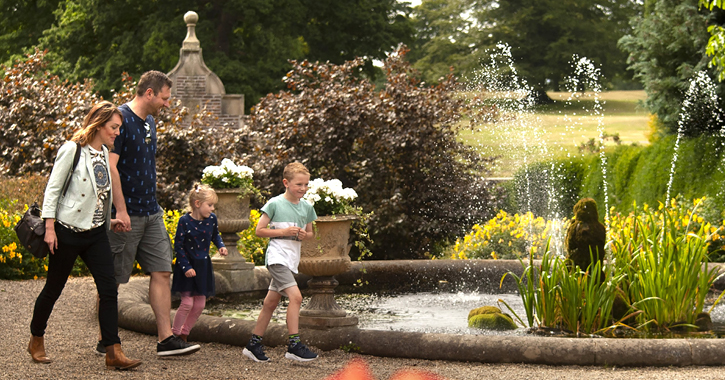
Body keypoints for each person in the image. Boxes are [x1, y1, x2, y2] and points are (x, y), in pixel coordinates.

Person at [30, 101, 142, 370]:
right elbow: (53, 190)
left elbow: (100, 197)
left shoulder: (104, 153)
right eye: (113, 127)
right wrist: (49, 228)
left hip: (96, 235)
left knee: (108, 290)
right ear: (99, 124)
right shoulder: (72, 150)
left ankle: (113, 352)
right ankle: (36, 338)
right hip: (66, 232)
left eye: (118, 128)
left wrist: (109, 220)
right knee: (53, 289)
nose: (117, 132)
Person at [107, 70, 200, 356]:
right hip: (126, 215)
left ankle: (165, 340)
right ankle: (106, 339)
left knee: (162, 271)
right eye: (164, 97)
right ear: (149, 93)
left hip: (152, 212)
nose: (167, 103)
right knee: (111, 280)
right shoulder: (120, 120)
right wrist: (120, 210)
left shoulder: (150, 122)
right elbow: (111, 167)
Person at [243, 162, 319, 362]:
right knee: (296, 297)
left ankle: (253, 344)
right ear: (286, 183)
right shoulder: (275, 204)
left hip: (291, 260)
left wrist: (305, 235)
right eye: (298, 184)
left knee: (270, 303)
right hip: (277, 258)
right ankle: (294, 345)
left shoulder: (307, 207)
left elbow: (311, 234)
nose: (303, 189)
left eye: (306, 185)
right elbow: (259, 231)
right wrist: (283, 232)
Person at [170, 183, 228, 341]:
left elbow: (215, 235)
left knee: (200, 305)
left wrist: (221, 246)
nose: (212, 209)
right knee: (187, 303)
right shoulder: (184, 221)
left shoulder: (212, 219)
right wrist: (186, 267)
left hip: (203, 267)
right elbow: (178, 247)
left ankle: (184, 333)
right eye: (209, 205)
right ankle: (174, 334)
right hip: (187, 268)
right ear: (197, 204)